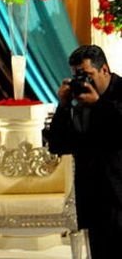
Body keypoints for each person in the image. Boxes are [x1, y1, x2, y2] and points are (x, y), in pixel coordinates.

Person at [43, 44, 122, 258]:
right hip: (95, 197)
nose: (83, 82)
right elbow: (59, 145)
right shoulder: (80, 103)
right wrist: (63, 105)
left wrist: (99, 104)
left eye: (87, 75)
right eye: (77, 76)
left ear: (104, 70)